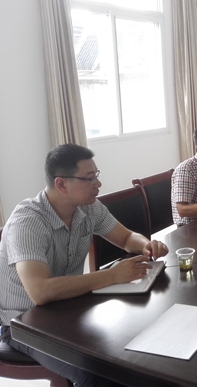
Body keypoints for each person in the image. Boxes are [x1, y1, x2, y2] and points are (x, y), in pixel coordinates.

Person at [0, 144, 168, 386]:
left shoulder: (88, 208)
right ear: (61, 184)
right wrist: (111, 276)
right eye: (89, 178)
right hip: (24, 325)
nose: (98, 184)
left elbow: (126, 238)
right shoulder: (28, 222)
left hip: (71, 309)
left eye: (96, 175)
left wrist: (146, 245)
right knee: (97, 374)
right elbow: (40, 292)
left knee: (139, 352)